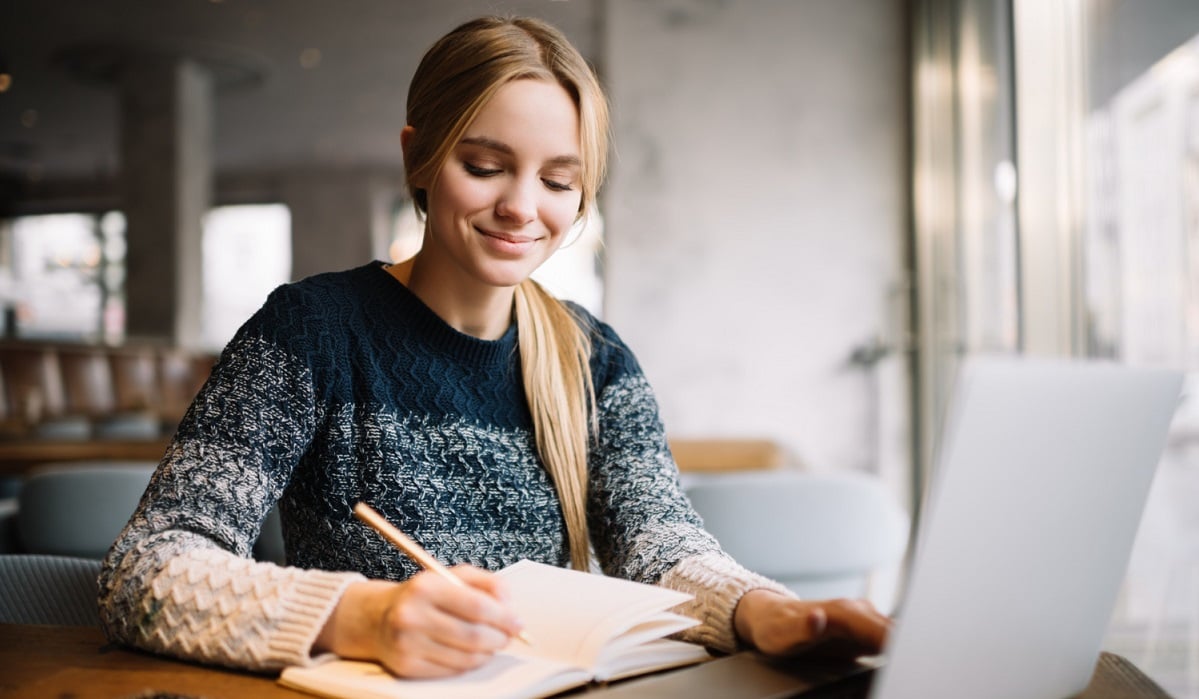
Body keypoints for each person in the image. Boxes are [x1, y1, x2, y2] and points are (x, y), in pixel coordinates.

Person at [99, 15, 890, 679]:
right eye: (484, 166)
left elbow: (657, 540)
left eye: (558, 180)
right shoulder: (312, 330)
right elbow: (147, 569)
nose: (521, 207)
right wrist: (359, 615)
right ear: (419, 155)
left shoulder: (594, 358)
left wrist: (764, 608)